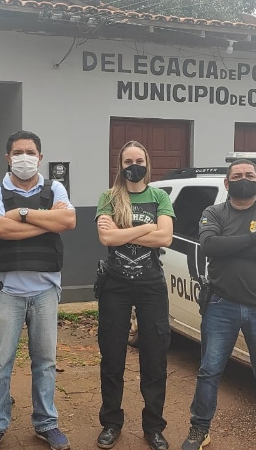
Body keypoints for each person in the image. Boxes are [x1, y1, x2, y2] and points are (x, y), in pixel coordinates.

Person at [182, 159, 256, 450]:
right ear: (226, 183)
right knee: (210, 371)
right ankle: (199, 429)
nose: (243, 179)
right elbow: (210, 246)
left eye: (248, 175)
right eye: (236, 176)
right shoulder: (214, 212)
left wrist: (230, 246)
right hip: (221, 305)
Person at [0, 130, 76, 450]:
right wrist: (46, 222)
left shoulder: (54, 188)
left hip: (45, 290)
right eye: (18, 152)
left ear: (40, 157)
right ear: (8, 157)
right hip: (5, 290)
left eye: (30, 152)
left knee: (45, 361)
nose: (24, 157)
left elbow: (68, 221)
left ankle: (46, 423)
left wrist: (21, 215)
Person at [94, 141, 175, 450]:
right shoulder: (109, 197)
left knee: (154, 358)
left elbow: (165, 237)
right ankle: (111, 423)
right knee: (112, 356)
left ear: (147, 162)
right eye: (128, 161)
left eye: (138, 160)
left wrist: (123, 231)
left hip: (151, 286)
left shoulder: (159, 196)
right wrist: (146, 228)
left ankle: (153, 427)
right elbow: (106, 237)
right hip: (114, 285)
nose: (134, 165)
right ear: (121, 165)